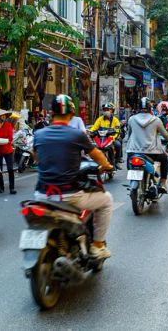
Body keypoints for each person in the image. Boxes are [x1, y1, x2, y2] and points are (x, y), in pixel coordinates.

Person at [32, 94, 114, 260]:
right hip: (69, 196)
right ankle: (98, 245)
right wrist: (106, 166)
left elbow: (36, 157)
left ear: (51, 113)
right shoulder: (77, 134)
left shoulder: (39, 134)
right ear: (71, 115)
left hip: (41, 195)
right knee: (107, 200)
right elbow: (97, 154)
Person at [126, 97, 168, 193]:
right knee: (164, 159)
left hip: (133, 151)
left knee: (130, 162)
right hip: (151, 151)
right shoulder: (156, 120)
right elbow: (165, 134)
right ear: (150, 108)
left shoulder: (131, 119)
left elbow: (129, 134)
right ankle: (163, 182)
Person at [90, 103, 122, 169]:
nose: (106, 111)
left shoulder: (115, 120)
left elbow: (118, 131)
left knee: (118, 145)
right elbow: (94, 128)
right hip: (102, 138)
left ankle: (117, 161)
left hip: (112, 138)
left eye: (108, 109)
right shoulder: (100, 119)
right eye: (105, 110)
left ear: (112, 111)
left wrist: (113, 138)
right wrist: (90, 132)